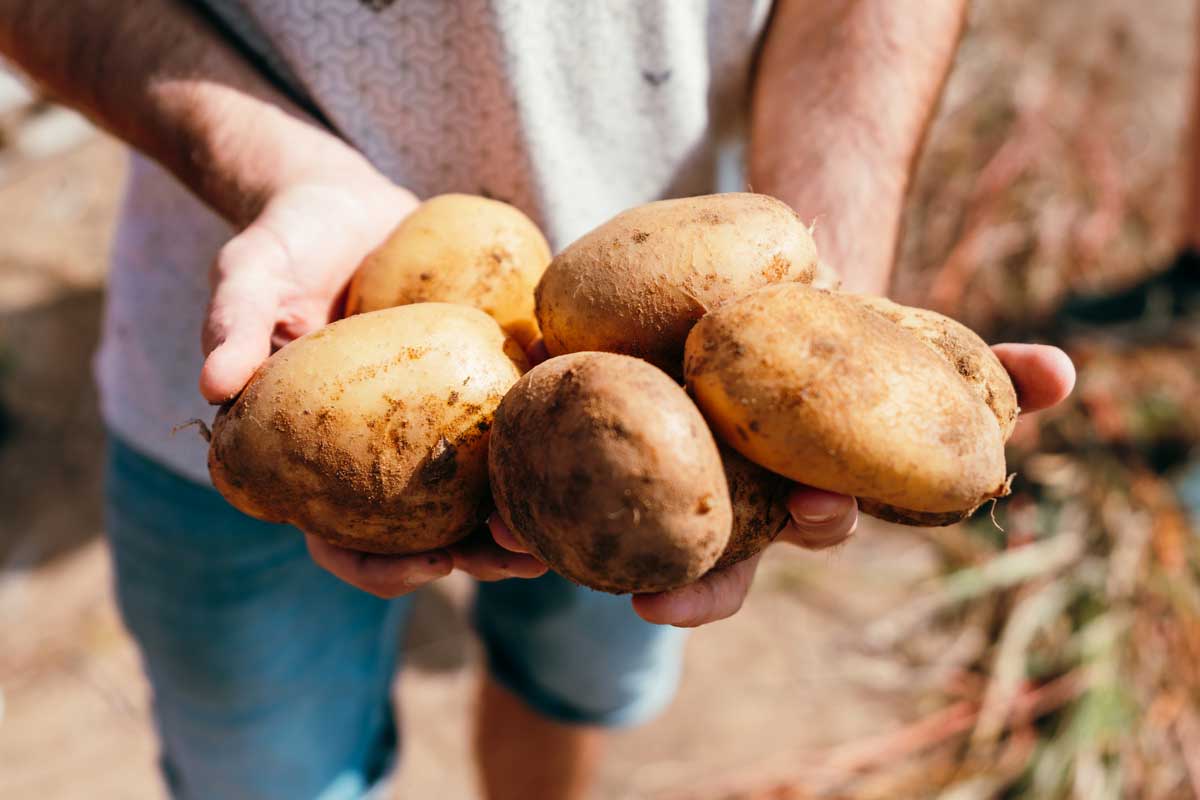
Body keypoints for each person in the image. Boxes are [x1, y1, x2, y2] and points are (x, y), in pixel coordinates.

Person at [0, 2, 1075, 798]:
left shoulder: (736, 346)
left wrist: (835, 266)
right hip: (272, 318)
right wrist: (283, 169)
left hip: (666, 436)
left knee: (567, 687)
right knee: (261, 770)